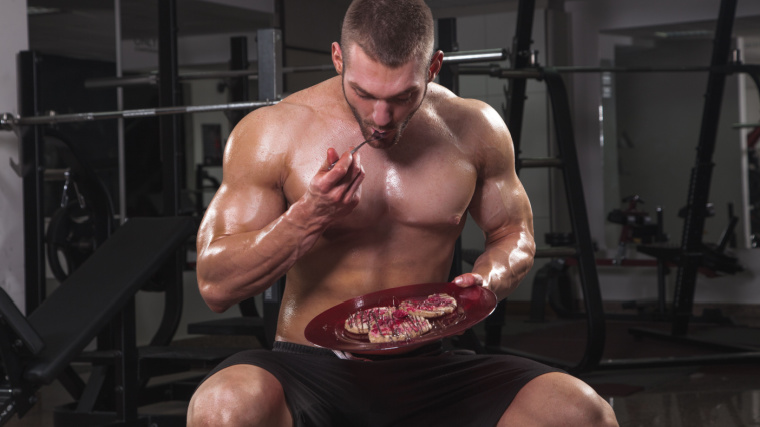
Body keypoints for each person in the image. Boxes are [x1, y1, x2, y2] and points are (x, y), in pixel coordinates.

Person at [188, 0, 618, 426]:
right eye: (364, 93)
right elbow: (215, 284)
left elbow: (513, 233)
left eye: (401, 96)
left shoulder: (474, 128)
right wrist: (306, 219)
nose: (380, 118)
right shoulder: (274, 131)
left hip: (432, 366)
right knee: (223, 408)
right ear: (338, 59)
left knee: (580, 411)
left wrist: (489, 279)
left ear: (433, 68)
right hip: (312, 367)